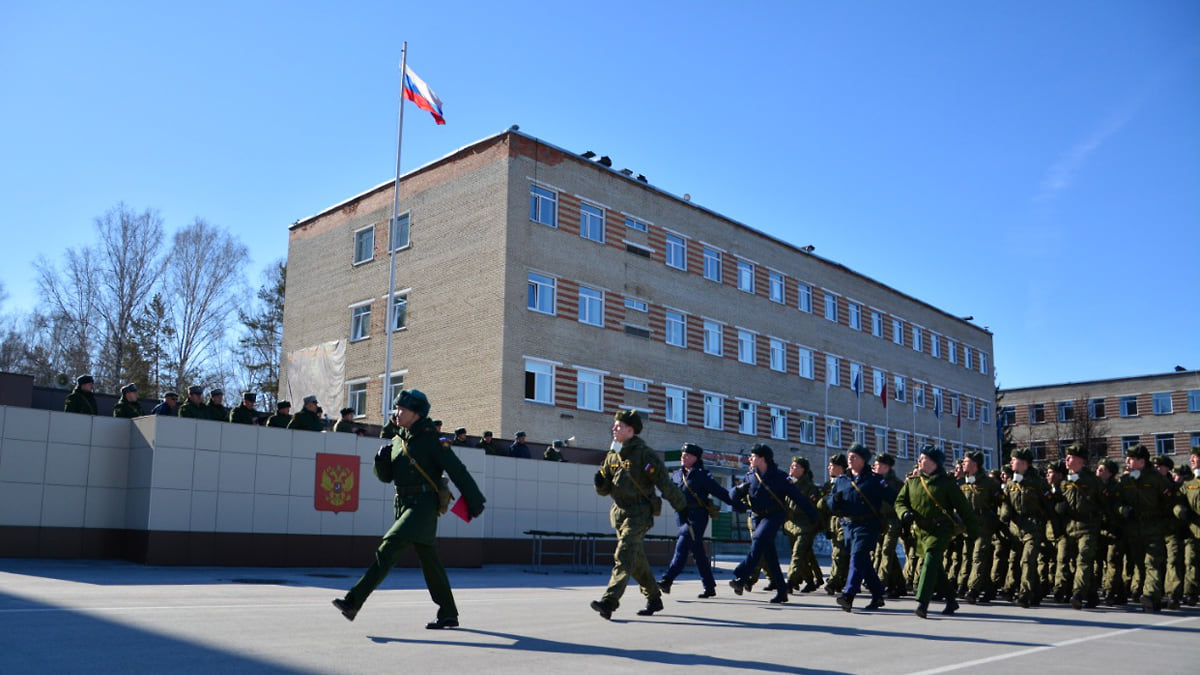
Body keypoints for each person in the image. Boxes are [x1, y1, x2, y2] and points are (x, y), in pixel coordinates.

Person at [332, 389, 485, 629]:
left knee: (388, 548)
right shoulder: (398, 439)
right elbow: (386, 477)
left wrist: (474, 500)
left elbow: (457, 469)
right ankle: (448, 613)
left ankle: (353, 601)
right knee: (430, 561)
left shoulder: (432, 439)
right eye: (397, 408)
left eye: (402, 409)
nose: (397, 412)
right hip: (403, 505)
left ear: (416, 414)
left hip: (424, 505)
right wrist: (380, 461)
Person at [591, 409, 688, 620]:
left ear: (630, 430)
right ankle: (654, 598)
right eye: (614, 426)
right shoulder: (613, 454)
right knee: (636, 560)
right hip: (619, 513)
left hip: (639, 513)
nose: (614, 429)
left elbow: (663, 482)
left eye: (618, 426)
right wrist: (600, 482)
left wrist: (683, 507)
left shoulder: (645, 454)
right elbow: (605, 489)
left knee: (624, 553)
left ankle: (609, 601)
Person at [895, 446, 980, 618]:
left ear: (933, 463)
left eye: (923, 458)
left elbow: (964, 508)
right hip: (921, 530)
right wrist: (904, 512)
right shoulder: (913, 481)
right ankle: (951, 600)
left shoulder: (946, 483)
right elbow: (900, 501)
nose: (919, 461)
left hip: (940, 530)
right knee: (935, 566)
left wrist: (974, 531)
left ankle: (923, 603)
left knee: (931, 560)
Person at [728, 443, 818, 604]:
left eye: (753, 456)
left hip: (774, 516)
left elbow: (798, 497)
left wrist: (814, 516)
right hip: (757, 517)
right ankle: (782, 592)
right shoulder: (750, 476)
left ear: (763, 458)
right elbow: (732, 495)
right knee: (769, 556)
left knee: (758, 539)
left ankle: (741, 573)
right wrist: (739, 490)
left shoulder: (779, 476)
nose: (750, 458)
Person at [657, 443, 738, 598]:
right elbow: (666, 491)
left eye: (687, 455)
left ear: (695, 458)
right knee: (698, 553)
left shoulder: (702, 475)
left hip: (697, 517)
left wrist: (739, 505)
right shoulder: (676, 474)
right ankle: (709, 587)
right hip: (681, 516)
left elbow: (720, 492)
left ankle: (667, 579)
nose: (683, 456)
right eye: (682, 454)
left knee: (682, 546)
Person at [827, 443, 895, 612]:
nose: (850, 459)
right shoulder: (842, 480)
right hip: (848, 525)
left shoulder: (875, 480)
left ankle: (848, 595)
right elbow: (830, 505)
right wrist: (833, 501)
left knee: (857, 558)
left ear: (863, 460)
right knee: (863, 562)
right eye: (849, 456)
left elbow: (895, 499)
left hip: (867, 525)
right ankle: (878, 593)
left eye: (854, 456)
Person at [1117, 443, 1173, 613]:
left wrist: (1162, 520)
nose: (1127, 461)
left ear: (1142, 462)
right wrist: (1122, 509)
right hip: (1133, 528)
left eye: (1131, 459)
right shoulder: (1125, 480)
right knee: (1139, 563)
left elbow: (1169, 500)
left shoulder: (1156, 478)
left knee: (1152, 562)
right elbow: (1117, 501)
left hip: (1153, 526)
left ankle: (1150, 595)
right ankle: (1150, 595)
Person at [1053, 444, 1104, 610]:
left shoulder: (1093, 482)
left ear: (1081, 460)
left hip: (1088, 527)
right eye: (1066, 457)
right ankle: (1091, 594)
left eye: (1071, 457)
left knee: (1083, 559)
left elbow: (1105, 503)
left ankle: (1078, 594)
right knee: (1074, 563)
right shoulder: (1063, 483)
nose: (1067, 460)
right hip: (1070, 528)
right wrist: (1059, 507)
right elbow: (1057, 502)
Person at [1001, 447, 1050, 608]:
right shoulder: (1010, 483)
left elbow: (1047, 504)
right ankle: (1036, 591)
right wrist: (1005, 514)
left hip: (1033, 527)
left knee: (1027, 560)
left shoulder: (1037, 483)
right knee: (1018, 561)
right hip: (1016, 528)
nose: (1010, 462)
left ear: (1023, 463)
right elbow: (1006, 502)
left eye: (1013, 460)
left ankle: (1025, 594)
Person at [959, 451, 1002, 604]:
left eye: (966, 461)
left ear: (975, 464)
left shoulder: (989, 483)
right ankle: (988, 588)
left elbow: (1001, 503)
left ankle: (973, 589)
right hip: (968, 525)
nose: (963, 463)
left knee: (979, 556)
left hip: (984, 525)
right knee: (970, 556)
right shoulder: (963, 483)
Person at [784, 456, 825, 593]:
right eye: (792, 465)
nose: (791, 468)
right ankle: (810, 581)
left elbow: (815, 509)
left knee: (798, 554)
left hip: (805, 526)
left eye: (795, 466)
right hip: (790, 525)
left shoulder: (809, 488)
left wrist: (816, 526)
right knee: (803, 556)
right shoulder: (788, 485)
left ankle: (790, 581)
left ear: (803, 470)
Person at [872, 453, 906, 599]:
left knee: (886, 550)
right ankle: (898, 585)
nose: (874, 466)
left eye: (878, 464)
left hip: (893, 520)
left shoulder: (896, 483)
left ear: (886, 467)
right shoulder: (874, 481)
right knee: (887, 553)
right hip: (879, 521)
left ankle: (880, 585)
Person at [819, 453, 850, 595]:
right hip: (832, 523)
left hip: (845, 521)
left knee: (839, 553)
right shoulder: (828, 485)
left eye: (832, 465)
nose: (828, 468)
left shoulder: (847, 482)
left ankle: (833, 581)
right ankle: (841, 580)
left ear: (841, 468)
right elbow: (822, 507)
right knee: (838, 553)